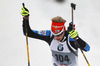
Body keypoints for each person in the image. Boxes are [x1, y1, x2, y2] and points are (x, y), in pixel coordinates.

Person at [21, 6, 90, 66]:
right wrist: (25, 18)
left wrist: (77, 38)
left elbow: (87, 48)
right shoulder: (49, 35)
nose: (57, 37)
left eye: (59, 34)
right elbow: (28, 33)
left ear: (64, 30)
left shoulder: (71, 38)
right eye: (55, 34)